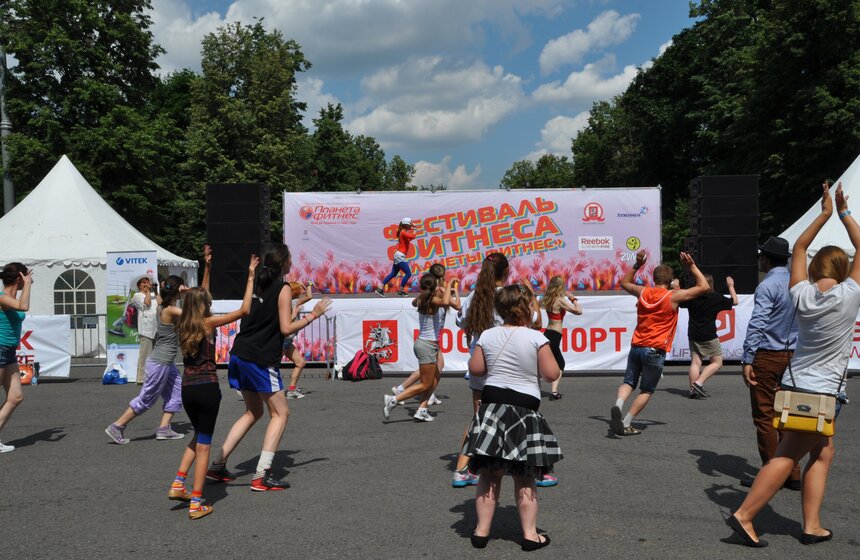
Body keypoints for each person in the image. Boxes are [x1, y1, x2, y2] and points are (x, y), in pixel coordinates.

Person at [725, 181, 859, 547]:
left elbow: (797, 246)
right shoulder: (850, 295)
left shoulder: (800, 291)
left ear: (814, 268)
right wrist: (844, 213)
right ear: (844, 268)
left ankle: (812, 524)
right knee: (787, 456)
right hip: (824, 390)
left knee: (823, 451)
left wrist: (825, 213)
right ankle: (746, 514)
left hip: (797, 382)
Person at [207, 243, 332, 491]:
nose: (293, 262)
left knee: (253, 412)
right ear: (284, 262)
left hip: (240, 354)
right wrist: (313, 315)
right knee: (281, 413)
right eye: (291, 259)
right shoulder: (282, 287)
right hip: (260, 359)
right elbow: (286, 328)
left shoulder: (258, 282)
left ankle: (217, 465)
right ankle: (261, 475)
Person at [462, 285, 562, 551]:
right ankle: (530, 535)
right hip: (524, 408)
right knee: (525, 476)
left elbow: (476, 369)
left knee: (489, 474)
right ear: (526, 307)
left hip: (493, 405)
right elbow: (552, 374)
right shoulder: (536, 338)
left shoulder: (487, 334)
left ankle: (481, 532)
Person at [170, 255, 258, 519]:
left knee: (198, 436)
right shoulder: (207, 323)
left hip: (187, 388)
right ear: (204, 305)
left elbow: (195, 299)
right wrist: (250, 276)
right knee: (205, 445)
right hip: (207, 388)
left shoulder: (182, 323)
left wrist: (203, 273)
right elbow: (244, 310)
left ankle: (178, 483)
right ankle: (197, 502)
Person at [610, 250, 709, 436]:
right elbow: (704, 287)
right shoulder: (673, 296)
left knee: (629, 382)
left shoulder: (643, 292)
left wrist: (637, 265)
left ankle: (618, 404)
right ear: (671, 280)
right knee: (647, 389)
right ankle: (626, 422)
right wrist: (692, 266)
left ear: (653, 278)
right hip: (655, 349)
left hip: (637, 345)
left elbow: (624, 283)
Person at [740, 235, 800, 489]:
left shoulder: (767, 285)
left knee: (765, 416)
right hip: (795, 355)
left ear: (765, 258)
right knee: (786, 414)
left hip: (767, 354)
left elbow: (758, 323)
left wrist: (747, 358)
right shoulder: (799, 283)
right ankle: (792, 472)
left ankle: (771, 474)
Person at [105, 275, 189, 444]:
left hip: (166, 362)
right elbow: (193, 315)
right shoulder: (168, 309)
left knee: (177, 391)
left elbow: (162, 300)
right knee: (147, 398)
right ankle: (117, 425)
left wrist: (175, 291)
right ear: (176, 290)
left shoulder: (164, 305)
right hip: (160, 362)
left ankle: (164, 428)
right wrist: (187, 294)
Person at [451, 253, 508, 487]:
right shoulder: (505, 295)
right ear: (505, 272)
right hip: (501, 362)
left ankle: (463, 468)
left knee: (478, 418)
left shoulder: (476, 294)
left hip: (477, 361)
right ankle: (510, 465)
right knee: (507, 415)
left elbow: (460, 321)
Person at [383, 273, 453, 421]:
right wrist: (449, 285)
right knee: (425, 384)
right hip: (427, 345)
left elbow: (414, 303)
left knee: (433, 379)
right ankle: (394, 399)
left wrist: (424, 294)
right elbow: (446, 302)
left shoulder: (422, 299)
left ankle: (422, 409)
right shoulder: (434, 300)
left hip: (423, 343)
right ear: (434, 287)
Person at [680, 274, 738, 399]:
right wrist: (731, 286)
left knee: (696, 362)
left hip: (693, 333)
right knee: (717, 362)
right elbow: (735, 301)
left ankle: (692, 391)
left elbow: (680, 302)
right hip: (709, 335)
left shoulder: (692, 297)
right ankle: (698, 383)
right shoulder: (716, 297)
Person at [0, 263, 33, 453]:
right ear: (20, 278)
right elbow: (24, 306)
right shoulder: (3, 298)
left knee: (15, 396)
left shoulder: (11, 297)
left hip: (9, 351)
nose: (31, 280)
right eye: (27, 276)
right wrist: (28, 284)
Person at [539, 276, 583, 400]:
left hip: (547, 332)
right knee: (560, 363)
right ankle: (553, 392)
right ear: (559, 287)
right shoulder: (559, 301)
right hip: (555, 335)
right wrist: (572, 298)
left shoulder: (548, 299)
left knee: (547, 362)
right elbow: (579, 311)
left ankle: (551, 391)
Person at [284, 281, 313, 399]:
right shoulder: (295, 302)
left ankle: (292, 389)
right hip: (284, 339)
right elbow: (310, 296)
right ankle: (247, 386)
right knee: (268, 366)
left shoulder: (286, 302)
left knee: (300, 363)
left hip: (286, 340)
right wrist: (309, 284)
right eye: (300, 288)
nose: (303, 290)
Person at [375, 217, 416, 296]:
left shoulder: (403, 232)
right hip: (400, 256)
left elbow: (410, 239)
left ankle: (380, 288)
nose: (411, 225)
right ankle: (400, 290)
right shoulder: (403, 232)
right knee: (408, 273)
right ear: (406, 224)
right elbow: (413, 236)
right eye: (410, 223)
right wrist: (415, 228)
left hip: (399, 255)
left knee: (393, 273)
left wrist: (413, 228)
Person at [131, 275, 159, 385]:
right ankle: (141, 378)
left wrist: (155, 291)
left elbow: (160, 303)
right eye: (143, 282)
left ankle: (153, 377)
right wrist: (148, 291)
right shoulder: (137, 296)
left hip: (156, 327)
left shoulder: (152, 294)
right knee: (144, 355)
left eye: (147, 282)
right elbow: (147, 304)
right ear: (139, 286)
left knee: (155, 356)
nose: (146, 284)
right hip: (146, 329)